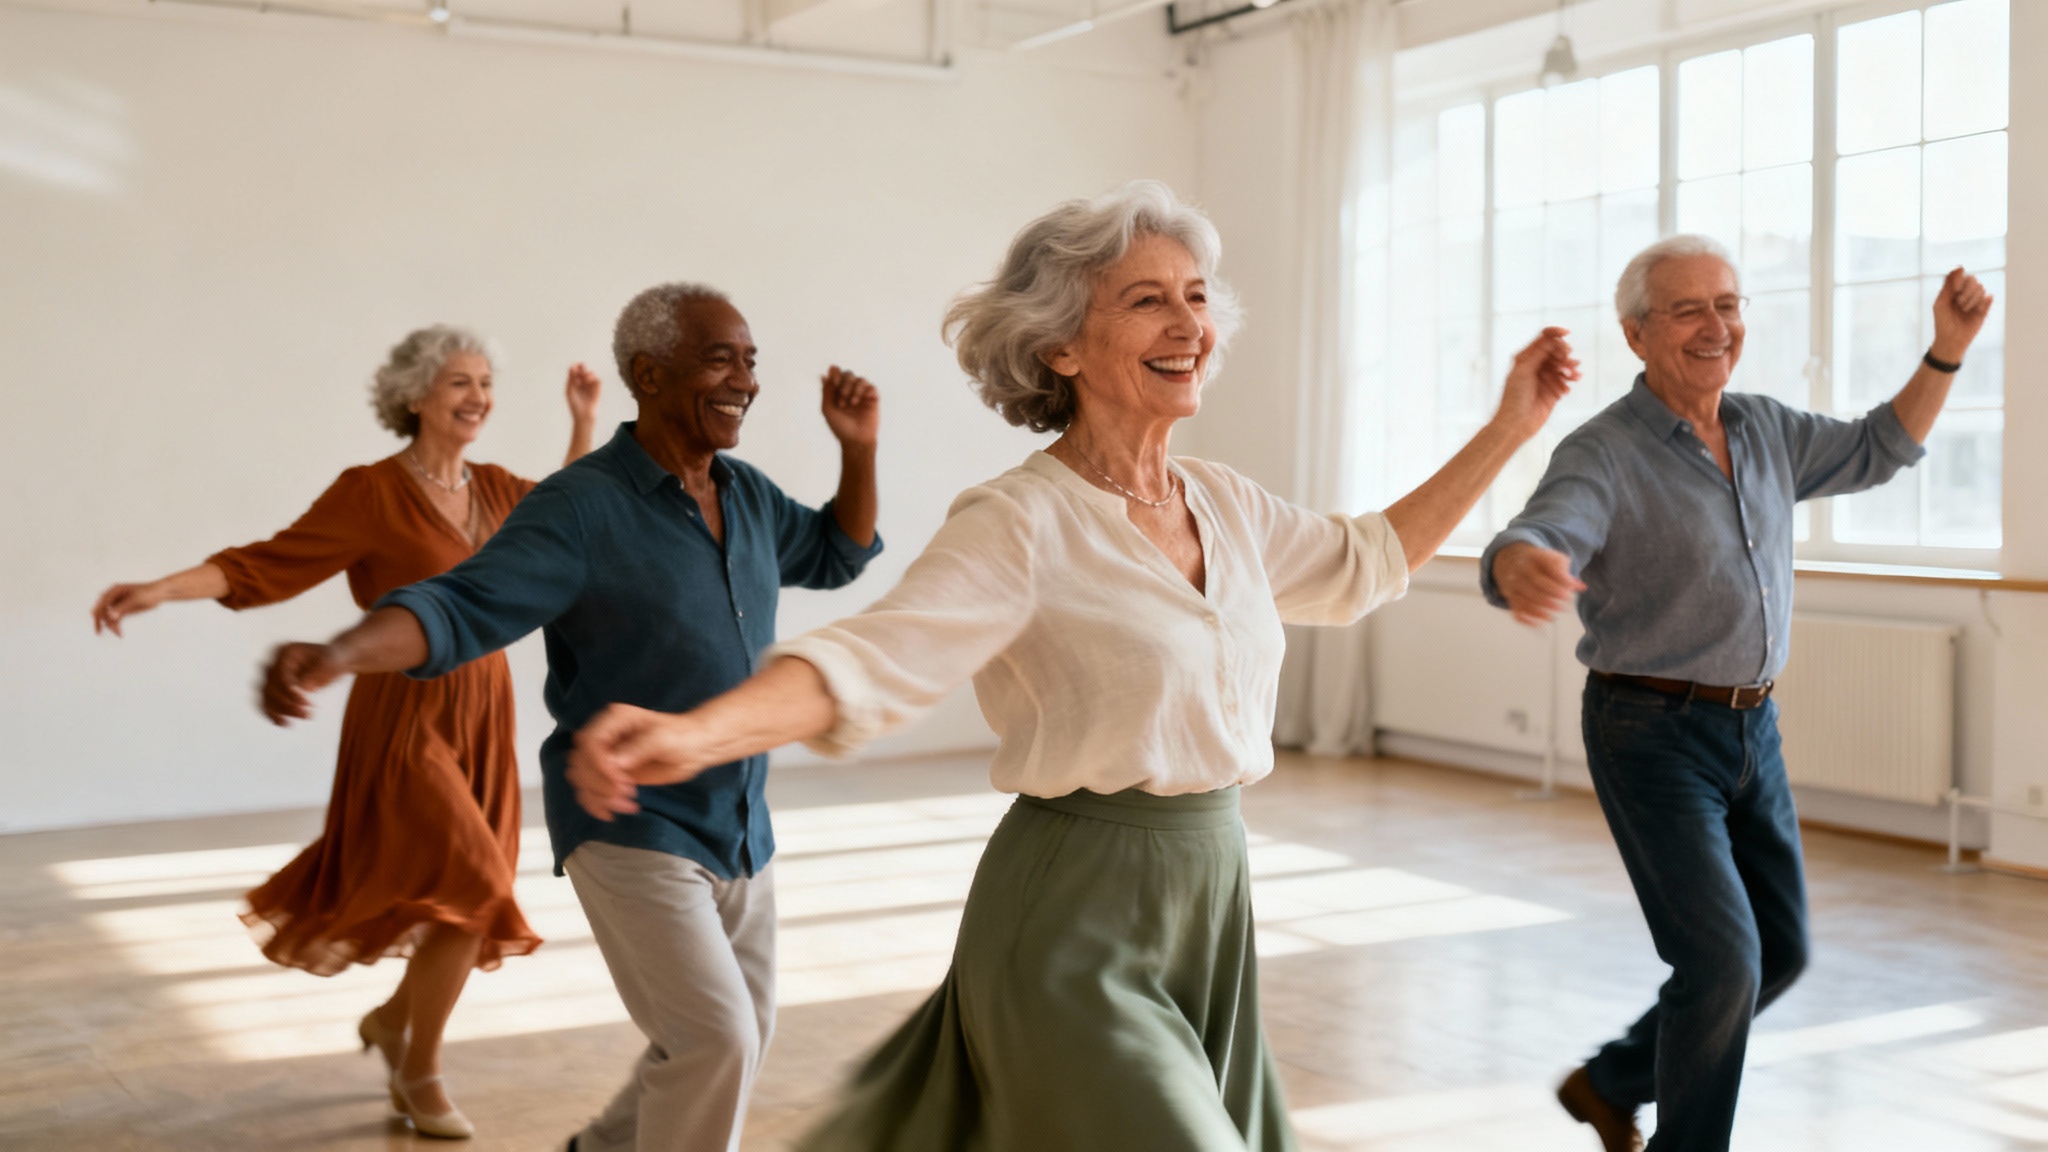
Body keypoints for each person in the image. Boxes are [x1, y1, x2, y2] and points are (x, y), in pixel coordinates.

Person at [562, 182, 1577, 1151]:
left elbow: (1366, 563)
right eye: (1146, 301)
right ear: (1061, 346)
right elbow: (874, 653)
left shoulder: (1223, 503)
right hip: (1071, 917)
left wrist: (1508, 429)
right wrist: (695, 733)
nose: (1186, 324)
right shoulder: (1021, 521)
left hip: (1208, 902)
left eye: (1194, 298)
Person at [253, 282, 884, 1152]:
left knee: (729, 1037)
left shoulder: (745, 494)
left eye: (749, 360)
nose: (744, 379)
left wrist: (859, 450)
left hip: (740, 818)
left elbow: (838, 553)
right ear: (648, 374)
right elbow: (460, 603)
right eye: (719, 358)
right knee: (718, 1038)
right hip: (631, 820)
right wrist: (337, 654)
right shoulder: (580, 506)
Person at [1479, 235, 1994, 1152]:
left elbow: (1883, 445)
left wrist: (1945, 348)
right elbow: (1543, 526)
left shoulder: (1764, 428)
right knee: (1721, 964)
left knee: (1779, 953)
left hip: (1755, 731)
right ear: (1637, 335)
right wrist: (1522, 565)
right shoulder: (1605, 450)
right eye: (1688, 310)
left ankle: (1607, 1083)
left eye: (1730, 304)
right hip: (1649, 731)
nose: (1716, 326)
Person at [91, 328, 601, 1138]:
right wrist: (163, 587)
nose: (477, 397)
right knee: (473, 890)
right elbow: (268, 561)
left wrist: (581, 420)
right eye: (458, 383)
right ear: (414, 397)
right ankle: (419, 1072)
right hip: (402, 714)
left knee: (466, 900)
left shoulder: (502, 490)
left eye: (485, 383)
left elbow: (573, 514)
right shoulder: (370, 492)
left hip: (483, 710)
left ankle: (394, 1021)